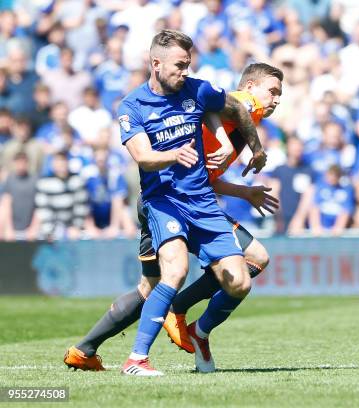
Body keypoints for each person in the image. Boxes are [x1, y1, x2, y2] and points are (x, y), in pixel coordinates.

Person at [63, 59, 281, 374]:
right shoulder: (245, 105)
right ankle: (177, 313)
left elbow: (208, 175)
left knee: (150, 288)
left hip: (161, 198)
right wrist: (249, 147)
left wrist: (245, 192)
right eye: (272, 91)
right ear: (249, 87)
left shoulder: (233, 120)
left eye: (279, 95)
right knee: (254, 258)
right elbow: (224, 108)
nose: (275, 100)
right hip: (177, 201)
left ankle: (84, 350)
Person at [116, 29, 269, 376]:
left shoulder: (198, 90)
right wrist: (174, 154)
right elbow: (142, 156)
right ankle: (136, 360)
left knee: (240, 281)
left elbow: (239, 109)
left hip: (203, 202)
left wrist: (256, 150)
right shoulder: (132, 105)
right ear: (156, 64)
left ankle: (199, 333)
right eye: (179, 65)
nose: (184, 71)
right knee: (176, 270)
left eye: (187, 65)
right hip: (164, 201)